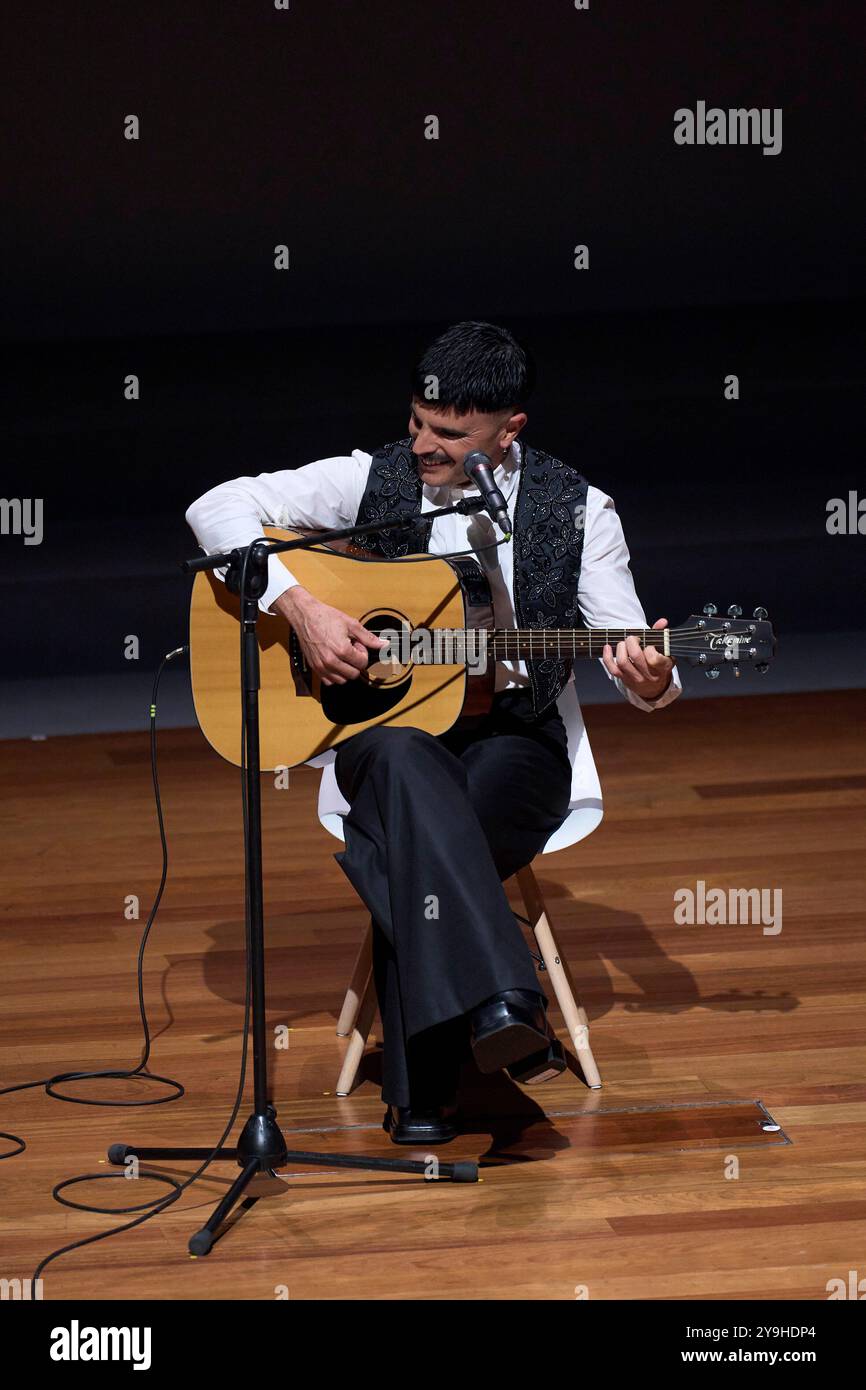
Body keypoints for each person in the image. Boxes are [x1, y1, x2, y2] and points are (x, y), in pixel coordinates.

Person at [185, 321, 681, 1145]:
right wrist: (298, 606)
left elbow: (627, 637)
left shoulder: (578, 509)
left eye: (449, 433)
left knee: (419, 836)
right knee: (408, 762)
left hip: (516, 744)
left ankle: (428, 1092)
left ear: (508, 430)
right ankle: (506, 1002)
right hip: (385, 736)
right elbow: (216, 508)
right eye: (418, 421)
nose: (422, 443)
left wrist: (654, 676)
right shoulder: (368, 476)